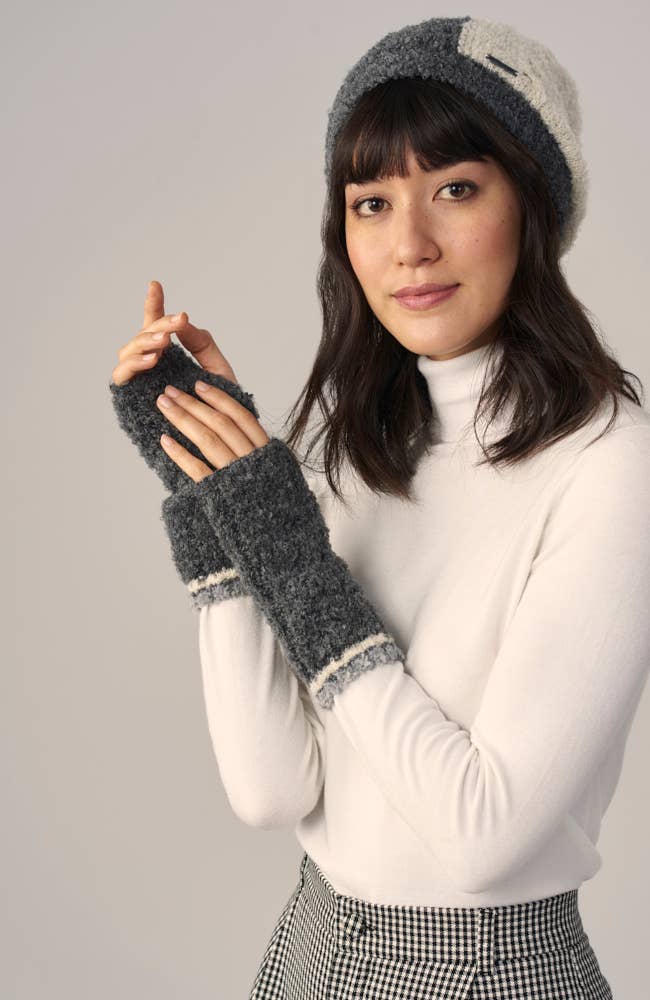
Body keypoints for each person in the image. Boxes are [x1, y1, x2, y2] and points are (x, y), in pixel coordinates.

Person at [109, 15, 650, 999]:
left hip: (480, 969)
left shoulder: (610, 463)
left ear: (532, 204)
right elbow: (271, 787)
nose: (409, 245)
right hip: (312, 941)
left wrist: (286, 548)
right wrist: (209, 493)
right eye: (370, 203)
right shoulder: (364, 438)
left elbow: (482, 836)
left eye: (455, 189)